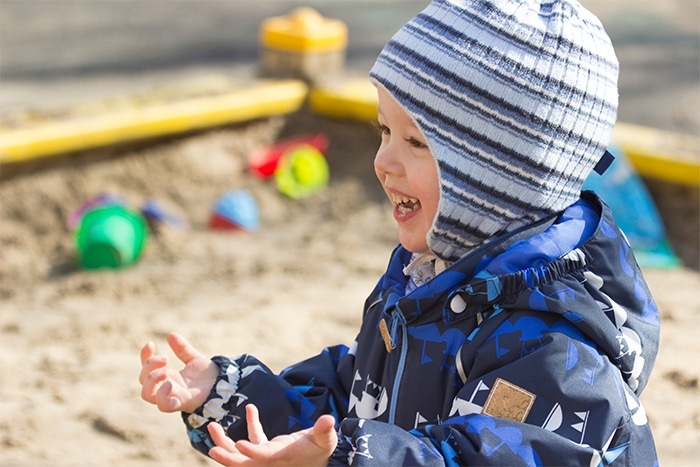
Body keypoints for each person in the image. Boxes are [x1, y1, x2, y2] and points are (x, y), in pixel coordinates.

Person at [139, 0, 661, 464]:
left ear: (502, 176)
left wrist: (344, 459)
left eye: (417, 143)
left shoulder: (555, 345)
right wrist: (228, 397)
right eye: (384, 130)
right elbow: (360, 402)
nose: (383, 161)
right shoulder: (428, 279)